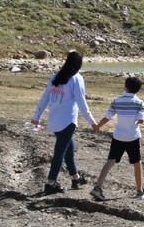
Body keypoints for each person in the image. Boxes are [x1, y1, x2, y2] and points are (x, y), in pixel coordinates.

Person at [32, 50, 96, 195]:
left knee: (68, 151)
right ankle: (50, 183)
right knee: (59, 153)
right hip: (68, 122)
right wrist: (92, 122)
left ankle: (75, 178)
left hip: (55, 122)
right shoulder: (76, 78)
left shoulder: (56, 77)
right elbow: (82, 103)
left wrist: (37, 116)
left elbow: (44, 98)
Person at [90, 76, 144, 200]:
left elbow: (108, 116)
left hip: (118, 136)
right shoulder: (140, 103)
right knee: (137, 163)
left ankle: (97, 187)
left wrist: (98, 126)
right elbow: (141, 118)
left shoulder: (117, 101)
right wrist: (140, 120)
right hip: (133, 136)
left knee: (110, 160)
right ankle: (140, 191)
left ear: (125, 87)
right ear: (138, 89)